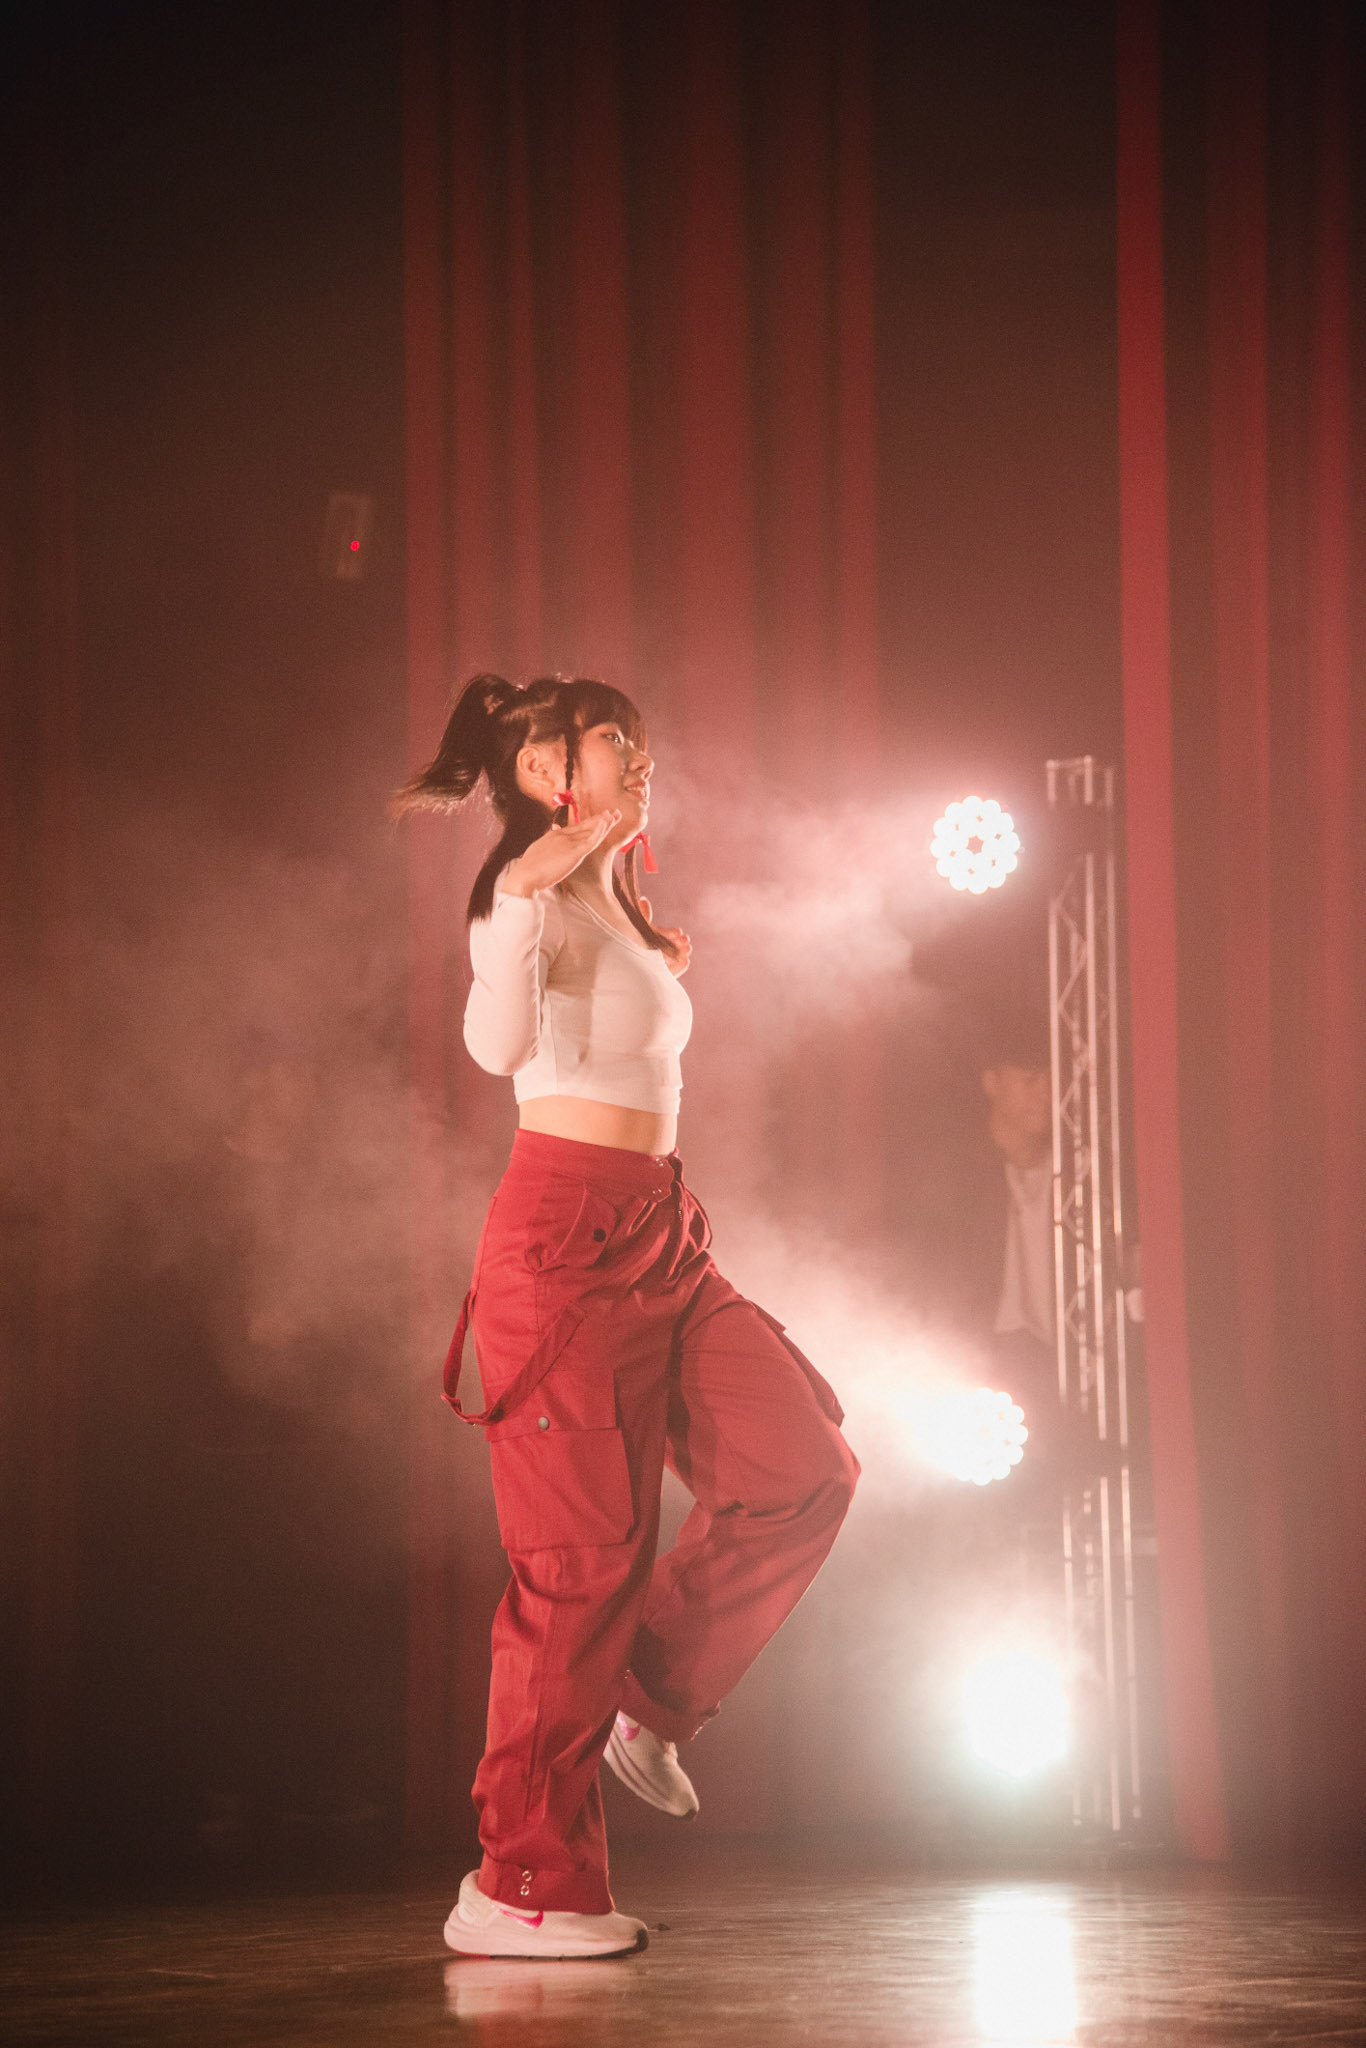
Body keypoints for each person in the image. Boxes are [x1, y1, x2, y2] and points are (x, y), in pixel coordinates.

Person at [394, 674, 860, 1960]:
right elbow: (495, 1047)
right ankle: (517, 1884)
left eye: (639, 743)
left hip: (658, 1226)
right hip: (563, 1243)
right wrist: (522, 899)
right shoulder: (522, 895)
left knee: (801, 1465)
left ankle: (646, 1695)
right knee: (577, 1571)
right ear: (546, 769)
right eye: (612, 744)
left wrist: (639, 947)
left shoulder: (609, 894)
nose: (638, 761)